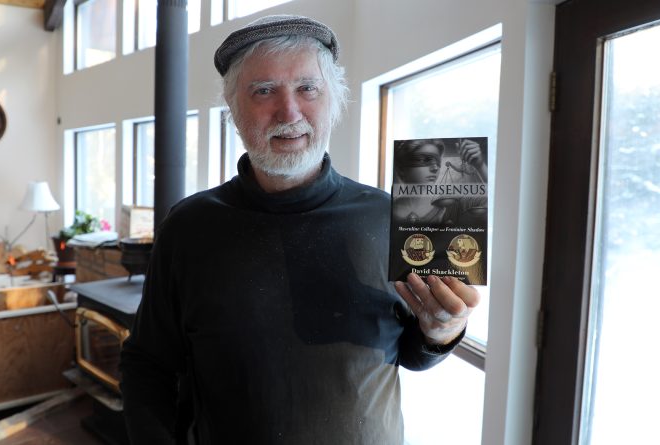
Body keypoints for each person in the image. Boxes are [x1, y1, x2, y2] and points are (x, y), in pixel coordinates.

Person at [119, 14, 480, 445]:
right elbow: (148, 364)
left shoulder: (391, 218)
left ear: (335, 103)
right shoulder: (189, 226)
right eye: (264, 90)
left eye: (308, 88)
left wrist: (441, 333)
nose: (289, 111)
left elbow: (408, 355)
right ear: (233, 111)